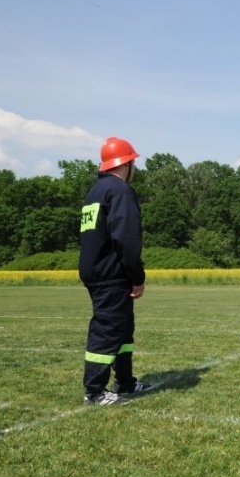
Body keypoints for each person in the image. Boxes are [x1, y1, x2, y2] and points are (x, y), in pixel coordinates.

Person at [79, 136, 156, 405]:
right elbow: (126, 238)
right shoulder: (120, 191)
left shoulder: (95, 192)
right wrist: (137, 277)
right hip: (112, 274)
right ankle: (95, 391)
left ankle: (126, 382)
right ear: (128, 163)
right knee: (108, 329)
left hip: (96, 271)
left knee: (122, 329)